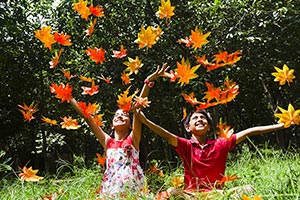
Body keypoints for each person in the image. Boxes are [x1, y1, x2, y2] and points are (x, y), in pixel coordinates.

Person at [134, 108, 286, 198]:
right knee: (171, 191)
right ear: (188, 128)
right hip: (191, 195)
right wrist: (145, 120)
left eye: (203, 118)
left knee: (248, 188)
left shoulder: (221, 143)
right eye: (195, 118)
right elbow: (166, 134)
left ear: (208, 128)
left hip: (217, 194)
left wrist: (281, 125)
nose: (200, 119)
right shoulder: (185, 145)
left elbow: (250, 132)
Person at [69, 64, 169, 198]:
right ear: (111, 125)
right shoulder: (107, 142)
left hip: (134, 192)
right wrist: (68, 97)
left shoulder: (133, 139)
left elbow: (139, 106)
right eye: (116, 115)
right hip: (111, 192)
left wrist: (148, 80)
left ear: (130, 124)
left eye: (125, 115)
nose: (120, 116)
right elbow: (88, 118)